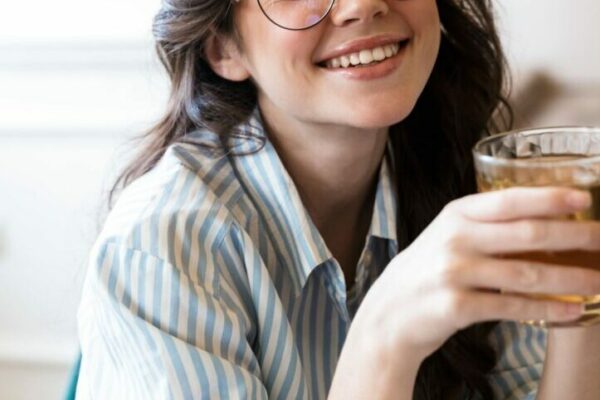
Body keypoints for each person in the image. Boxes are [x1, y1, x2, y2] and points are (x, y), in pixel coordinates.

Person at [75, 0, 600, 398]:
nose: (362, 5)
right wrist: (385, 333)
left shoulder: (469, 177)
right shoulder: (158, 252)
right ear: (223, 47)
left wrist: (584, 300)